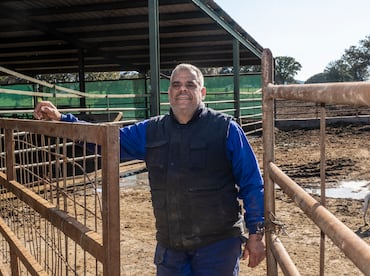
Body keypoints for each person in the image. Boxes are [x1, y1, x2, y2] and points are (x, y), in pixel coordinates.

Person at [34, 63, 266, 275]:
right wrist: (63, 119)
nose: (182, 89)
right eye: (176, 85)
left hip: (217, 247)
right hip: (171, 247)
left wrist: (256, 233)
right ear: (169, 93)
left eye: (190, 84)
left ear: (202, 92)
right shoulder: (151, 130)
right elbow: (106, 139)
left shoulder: (225, 129)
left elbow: (251, 182)